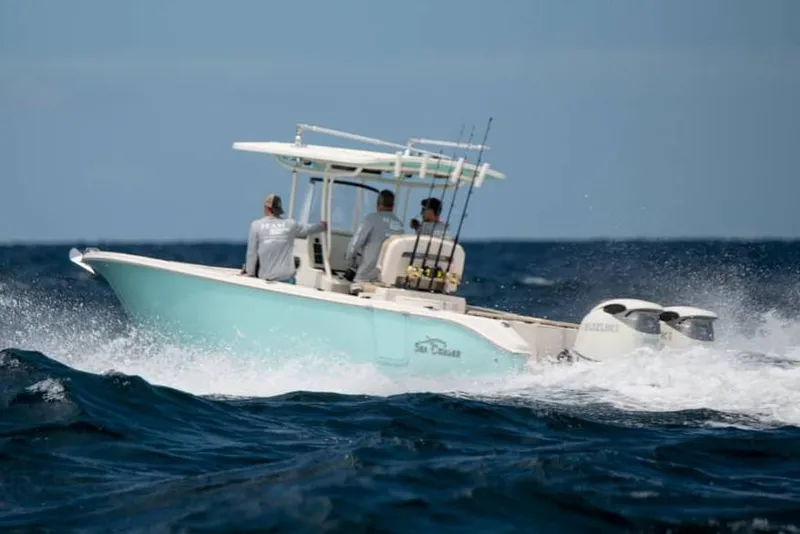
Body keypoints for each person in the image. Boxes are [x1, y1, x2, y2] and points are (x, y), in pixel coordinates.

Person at [243, 193, 327, 283]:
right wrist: (322, 226)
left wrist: (250, 273)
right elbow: (308, 229)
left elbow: (252, 253)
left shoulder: (256, 225)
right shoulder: (290, 225)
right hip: (287, 280)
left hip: (266, 280)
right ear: (279, 209)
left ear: (266, 208)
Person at [344, 189, 405, 283]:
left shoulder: (370, 220)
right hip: (385, 281)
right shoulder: (400, 226)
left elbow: (354, 245)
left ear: (377, 204)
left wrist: (349, 263)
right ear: (393, 206)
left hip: (365, 277)